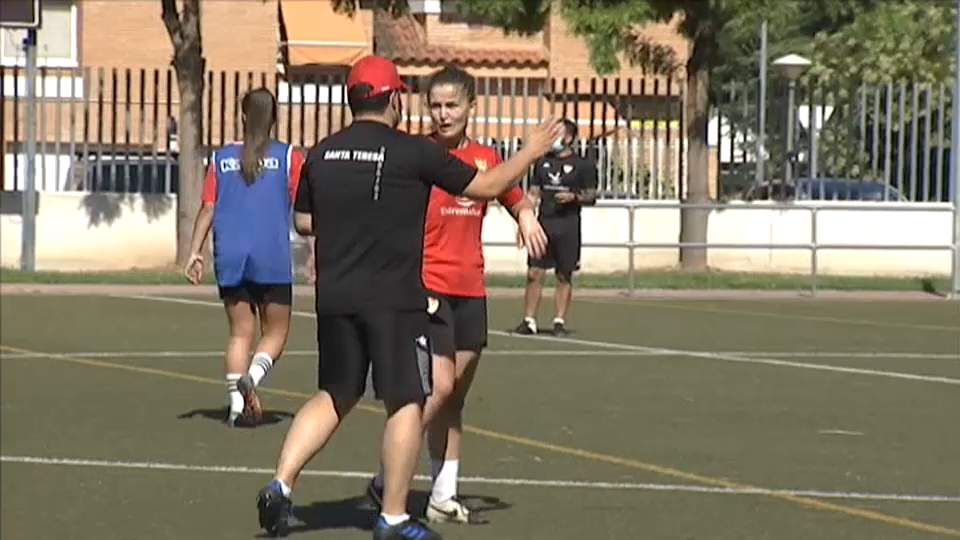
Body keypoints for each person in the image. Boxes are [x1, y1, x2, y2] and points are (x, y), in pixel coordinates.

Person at [253, 55, 563, 540]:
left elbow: (305, 222)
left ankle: (280, 483)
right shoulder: (409, 151)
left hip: (337, 295)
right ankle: (393, 515)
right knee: (407, 401)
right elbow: (486, 184)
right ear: (395, 98)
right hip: (395, 298)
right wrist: (529, 151)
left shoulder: (321, 152)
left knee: (335, 393)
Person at [364, 66, 546, 525]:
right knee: (438, 386)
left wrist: (525, 215)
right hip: (427, 287)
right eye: (436, 106)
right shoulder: (417, 154)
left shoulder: (486, 158)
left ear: (471, 107)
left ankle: (442, 494)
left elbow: (513, 194)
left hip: (471, 289)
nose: (443, 115)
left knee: (454, 398)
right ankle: (388, 475)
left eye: (452, 106)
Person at [183, 87, 305, 427]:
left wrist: (195, 251)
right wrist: (315, 252)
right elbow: (305, 210)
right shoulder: (289, 157)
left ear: (242, 117)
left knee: (240, 333)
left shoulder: (221, 158)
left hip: (230, 255)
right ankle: (252, 376)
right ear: (275, 117)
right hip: (272, 255)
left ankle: (237, 408)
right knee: (276, 332)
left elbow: (208, 207)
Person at [513, 118, 598, 337]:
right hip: (544, 224)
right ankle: (529, 320)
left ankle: (559, 321)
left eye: (558, 134)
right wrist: (525, 218)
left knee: (564, 274)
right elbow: (533, 193)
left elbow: (591, 196)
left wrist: (574, 197)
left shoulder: (583, 165)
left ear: (569, 138)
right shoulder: (542, 163)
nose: (554, 139)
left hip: (568, 226)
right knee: (534, 272)